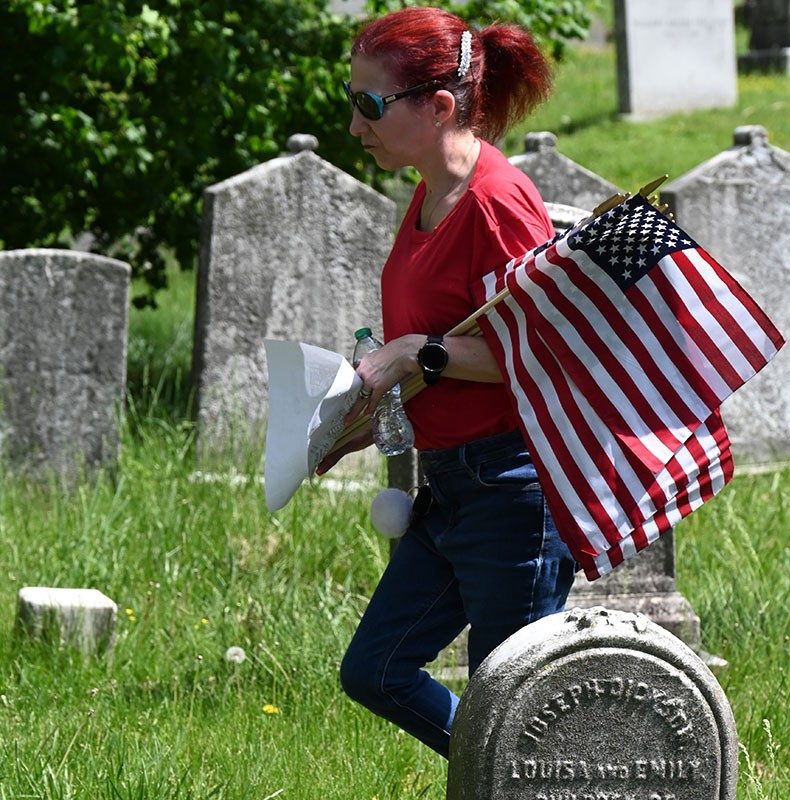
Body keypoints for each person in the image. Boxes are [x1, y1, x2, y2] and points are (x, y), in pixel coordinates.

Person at [315, 6, 576, 759]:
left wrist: (411, 354)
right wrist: (357, 428)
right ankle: (512, 771)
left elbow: (543, 352)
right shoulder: (430, 193)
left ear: (438, 107)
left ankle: (519, 772)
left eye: (370, 105)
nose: (356, 125)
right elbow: (447, 347)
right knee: (377, 671)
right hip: (453, 487)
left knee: (512, 714)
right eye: (352, 101)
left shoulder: (495, 203)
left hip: (513, 491)